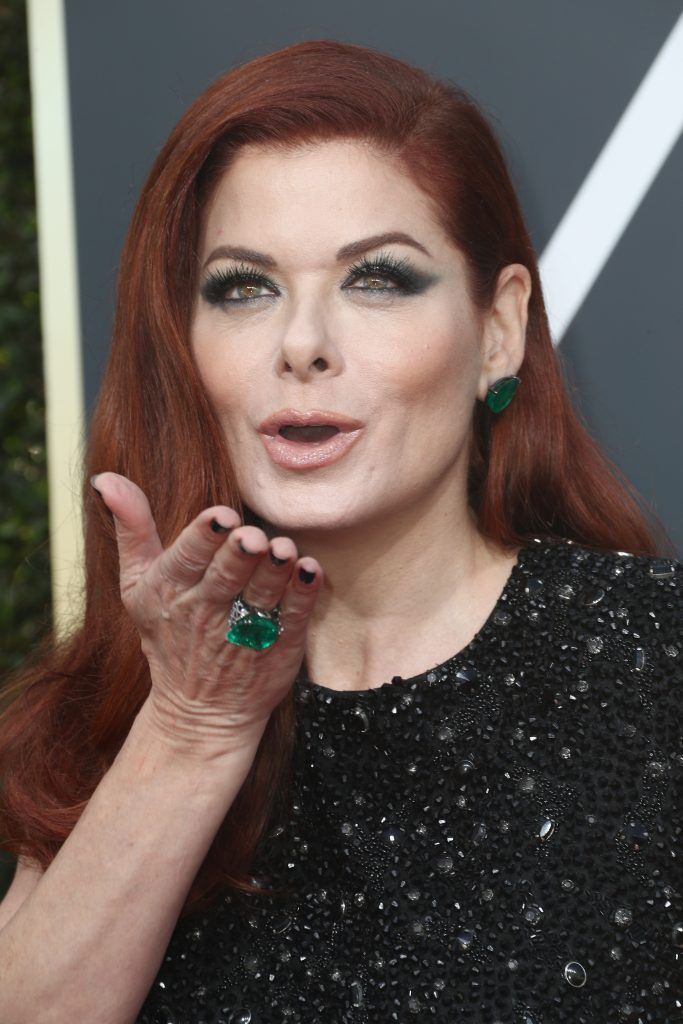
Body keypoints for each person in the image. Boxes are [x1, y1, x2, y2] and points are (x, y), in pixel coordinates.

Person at [0, 37, 680, 1024]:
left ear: (498, 329)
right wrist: (189, 735)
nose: (302, 343)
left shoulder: (655, 662)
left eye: (377, 279)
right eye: (243, 286)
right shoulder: (113, 715)